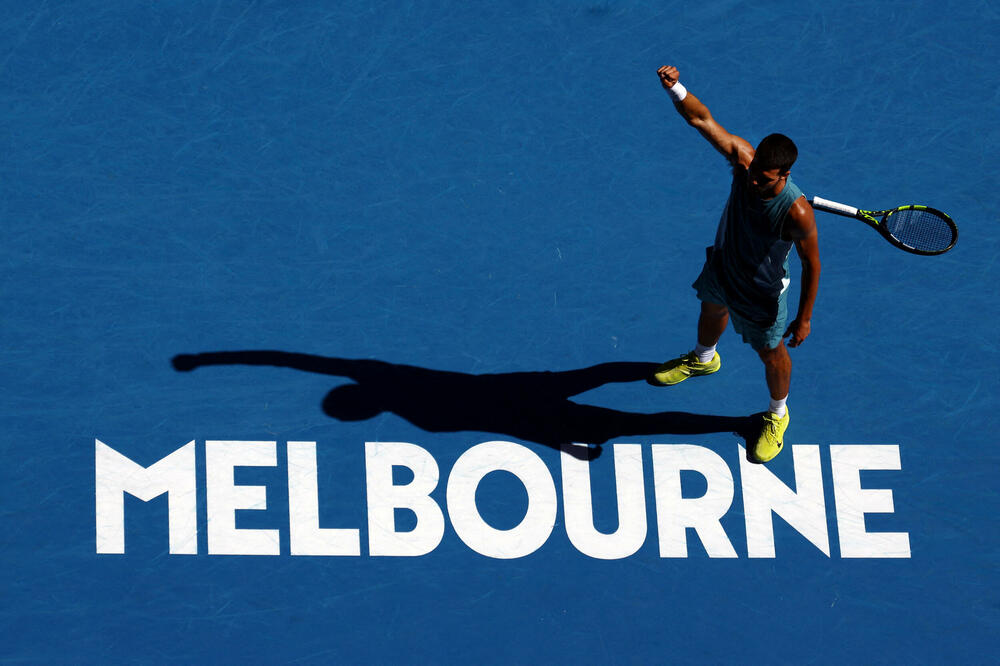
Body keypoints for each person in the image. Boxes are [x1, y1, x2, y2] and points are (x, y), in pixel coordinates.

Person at [651, 65, 821, 464]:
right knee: (711, 306)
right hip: (724, 266)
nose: (755, 181)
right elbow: (701, 118)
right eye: (755, 171)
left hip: (760, 293)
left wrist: (805, 317)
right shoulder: (745, 164)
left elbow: (812, 264)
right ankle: (704, 358)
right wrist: (678, 89)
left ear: (785, 175)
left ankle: (777, 416)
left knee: (771, 353)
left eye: (765, 178)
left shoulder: (796, 214)